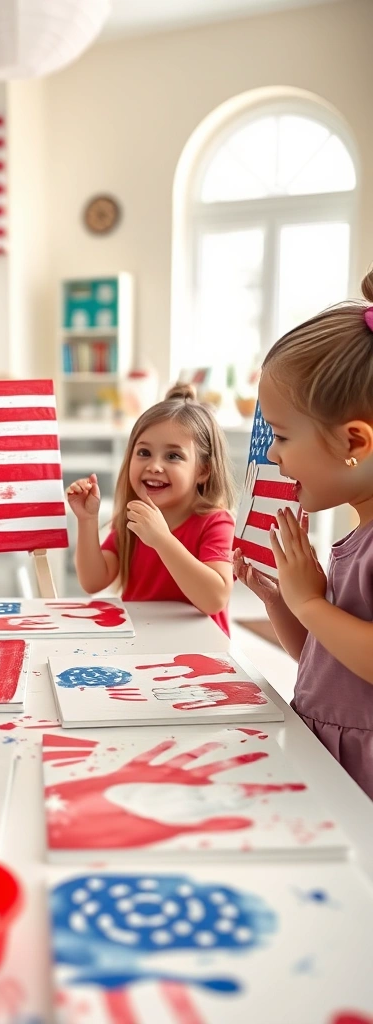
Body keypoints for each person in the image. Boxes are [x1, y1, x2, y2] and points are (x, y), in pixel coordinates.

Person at [235, 271, 373, 800]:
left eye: (284, 436)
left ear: (352, 441)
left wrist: (309, 600)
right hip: (327, 757)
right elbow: (328, 666)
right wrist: (283, 604)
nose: (272, 454)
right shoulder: (358, 535)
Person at [68, 384, 235, 634]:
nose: (155, 466)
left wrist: (162, 540)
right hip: (140, 645)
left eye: (173, 456)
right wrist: (87, 519)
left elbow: (215, 599)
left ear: (203, 471)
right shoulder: (133, 518)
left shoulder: (216, 522)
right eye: (144, 452)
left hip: (201, 653)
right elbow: (93, 582)